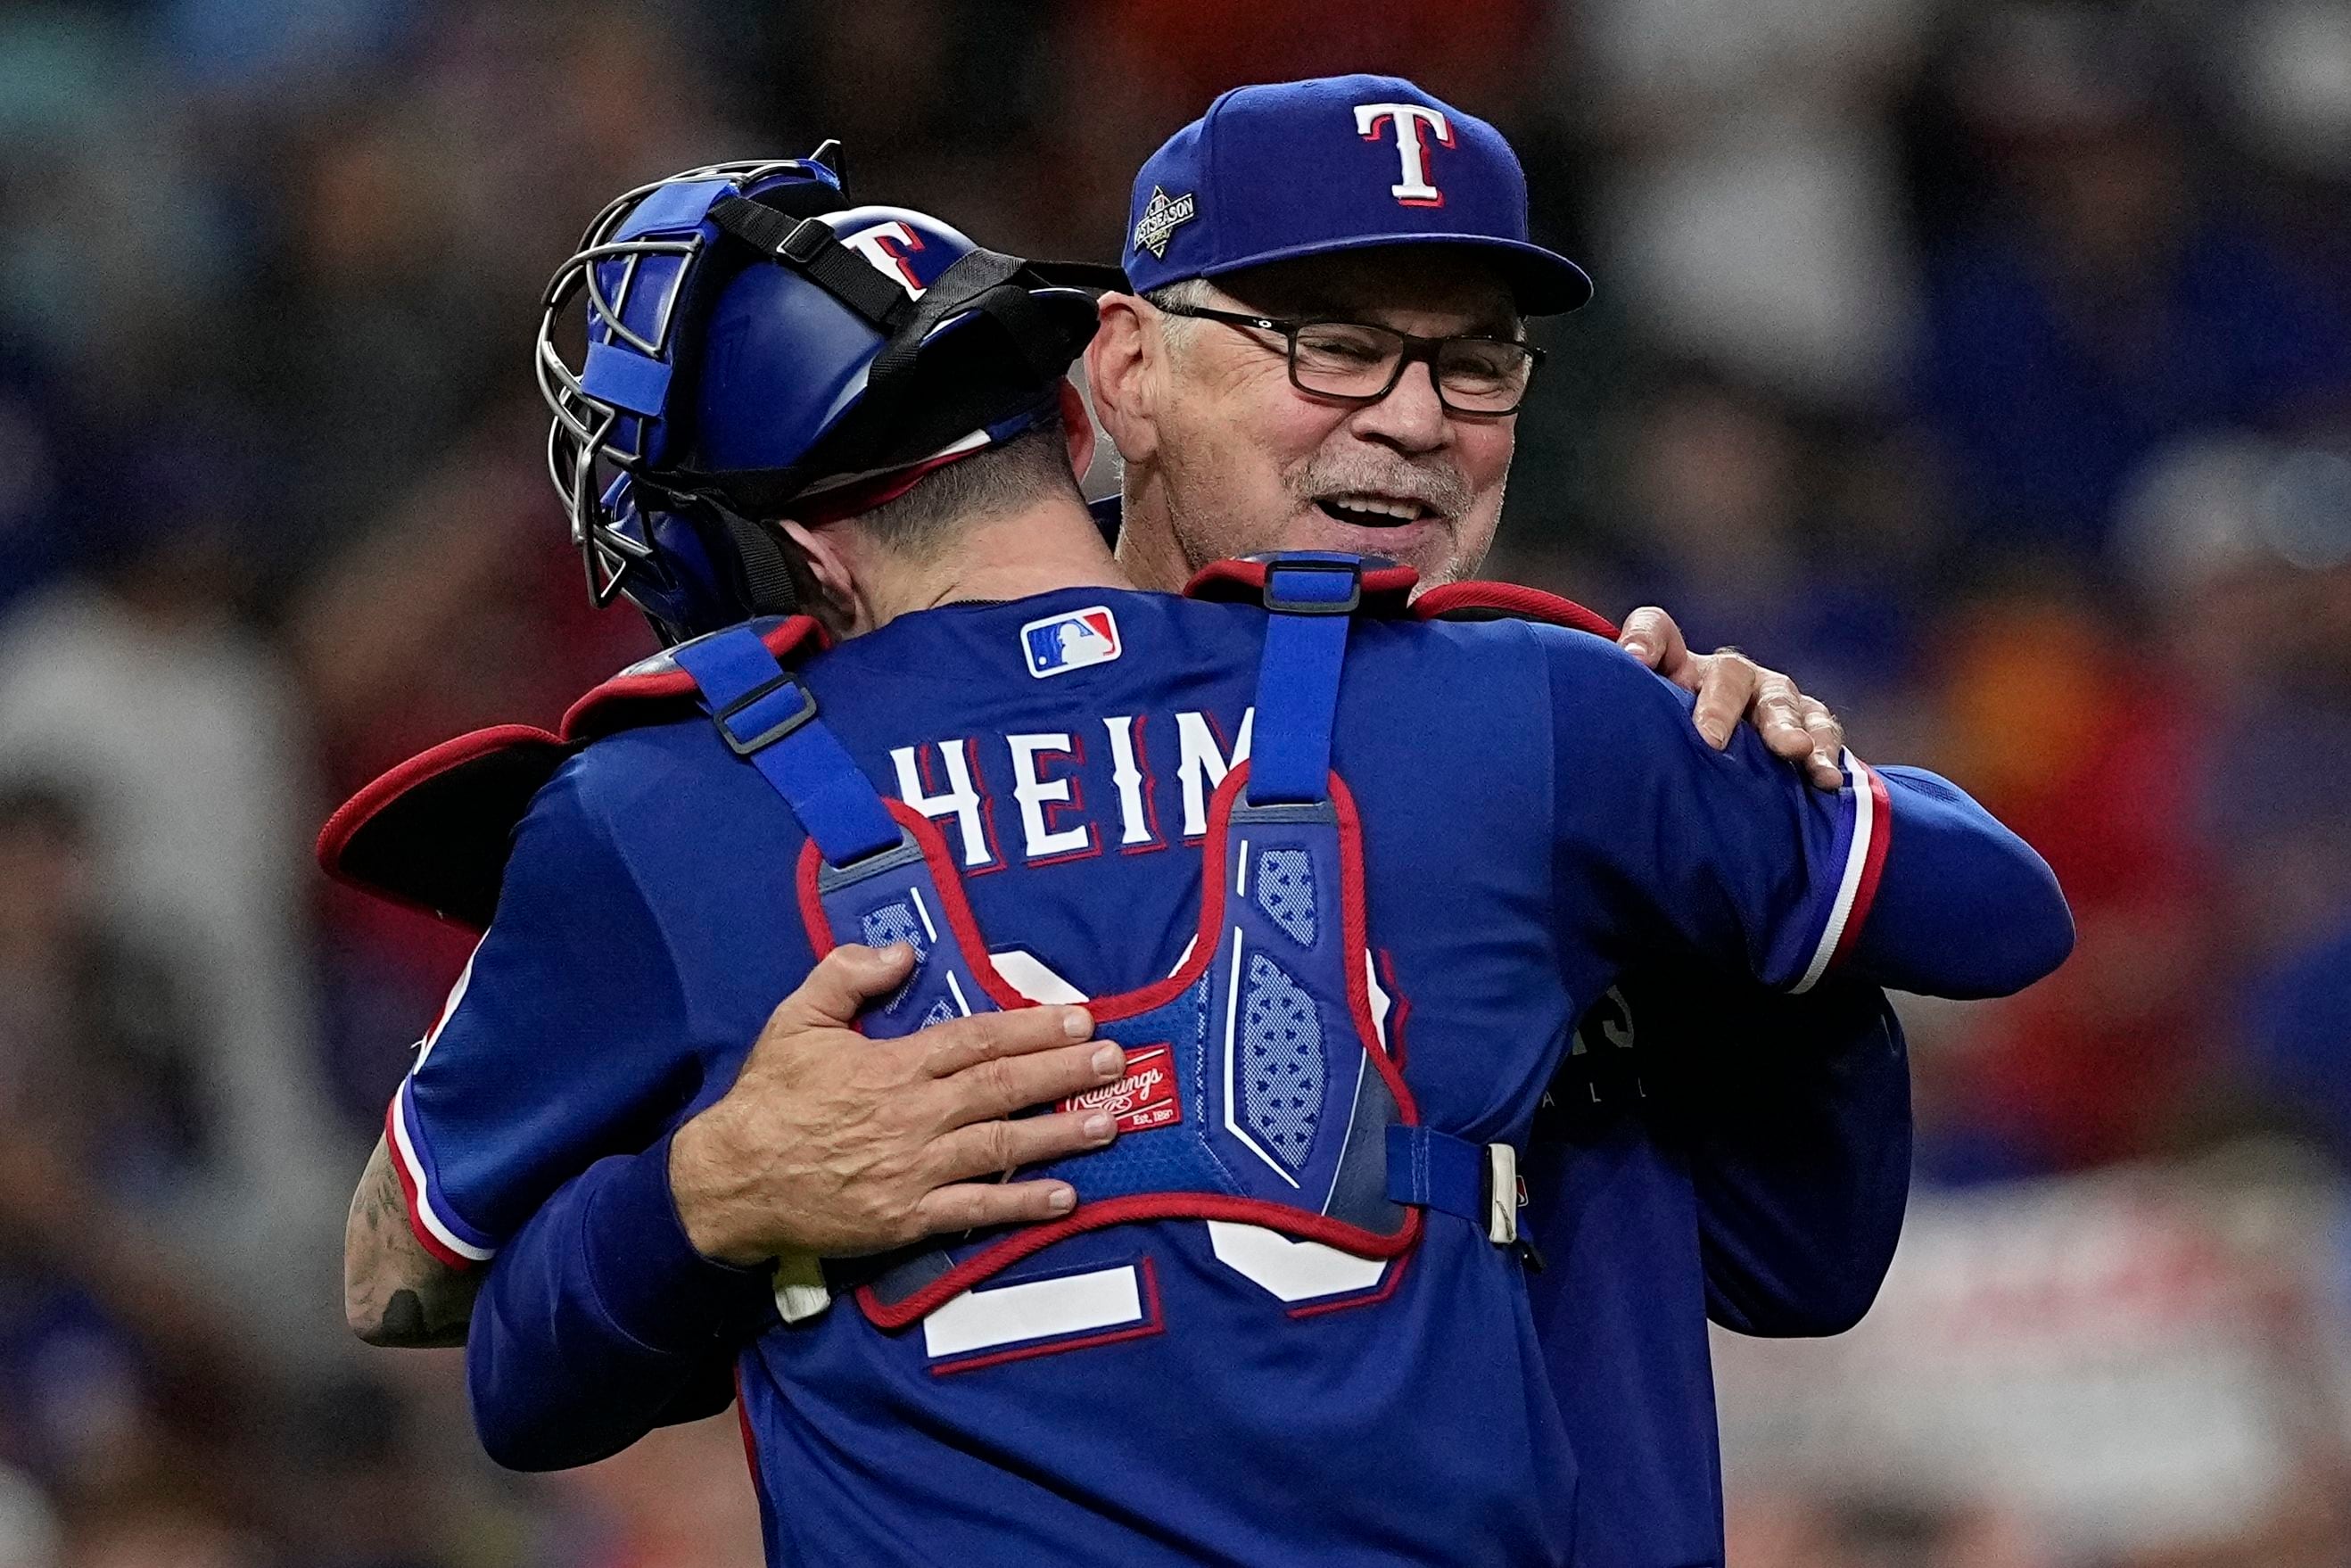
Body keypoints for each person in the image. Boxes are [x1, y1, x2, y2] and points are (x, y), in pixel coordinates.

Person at [335, 145, 2070, 1565]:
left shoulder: (666, 804)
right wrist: (1786, 795)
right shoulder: (1521, 716)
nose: (1399, 419)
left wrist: (693, 1203)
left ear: (775, 544)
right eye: (1325, 345)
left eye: (1467, 361)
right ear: (1106, 389)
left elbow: (450, 1325)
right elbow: (1995, 914)